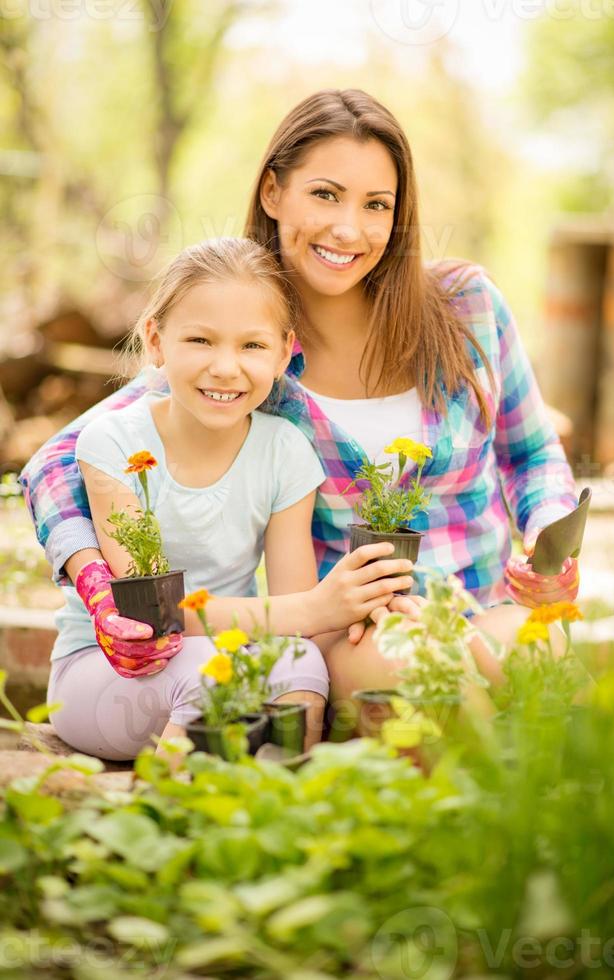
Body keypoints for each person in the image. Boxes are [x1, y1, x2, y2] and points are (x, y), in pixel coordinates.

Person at [21, 89, 579, 721]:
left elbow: (532, 455)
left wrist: (547, 537)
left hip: (480, 606)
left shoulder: (466, 306)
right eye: (324, 194)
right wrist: (96, 580)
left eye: (376, 205)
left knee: (545, 644)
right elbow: (57, 461)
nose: (348, 228)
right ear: (272, 193)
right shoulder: (248, 352)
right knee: (420, 676)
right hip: (355, 634)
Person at [43, 237, 415, 760]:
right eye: (200, 340)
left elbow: (296, 609)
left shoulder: (284, 450)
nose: (225, 367)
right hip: (110, 672)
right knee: (206, 672)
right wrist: (312, 608)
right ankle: (168, 802)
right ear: (155, 340)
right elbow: (154, 616)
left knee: (301, 661)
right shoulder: (113, 443)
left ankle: (282, 791)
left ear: (285, 352)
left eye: (252, 346)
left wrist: (365, 602)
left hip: (224, 657)